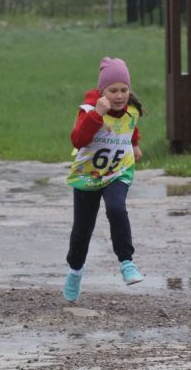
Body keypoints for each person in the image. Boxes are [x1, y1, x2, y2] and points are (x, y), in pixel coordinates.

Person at [62, 57, 145, 302]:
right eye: (113, 91)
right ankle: (75, 271)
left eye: (124, 90)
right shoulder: (89, 111)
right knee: (82, 229)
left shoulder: (131, 110)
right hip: (88, 176)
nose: (119, 96)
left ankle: (127, 262)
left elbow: (130, 126)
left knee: (117, 209)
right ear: (102, 92)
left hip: (117, 172)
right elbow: (78, 139)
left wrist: (135, 144)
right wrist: (98, 114)